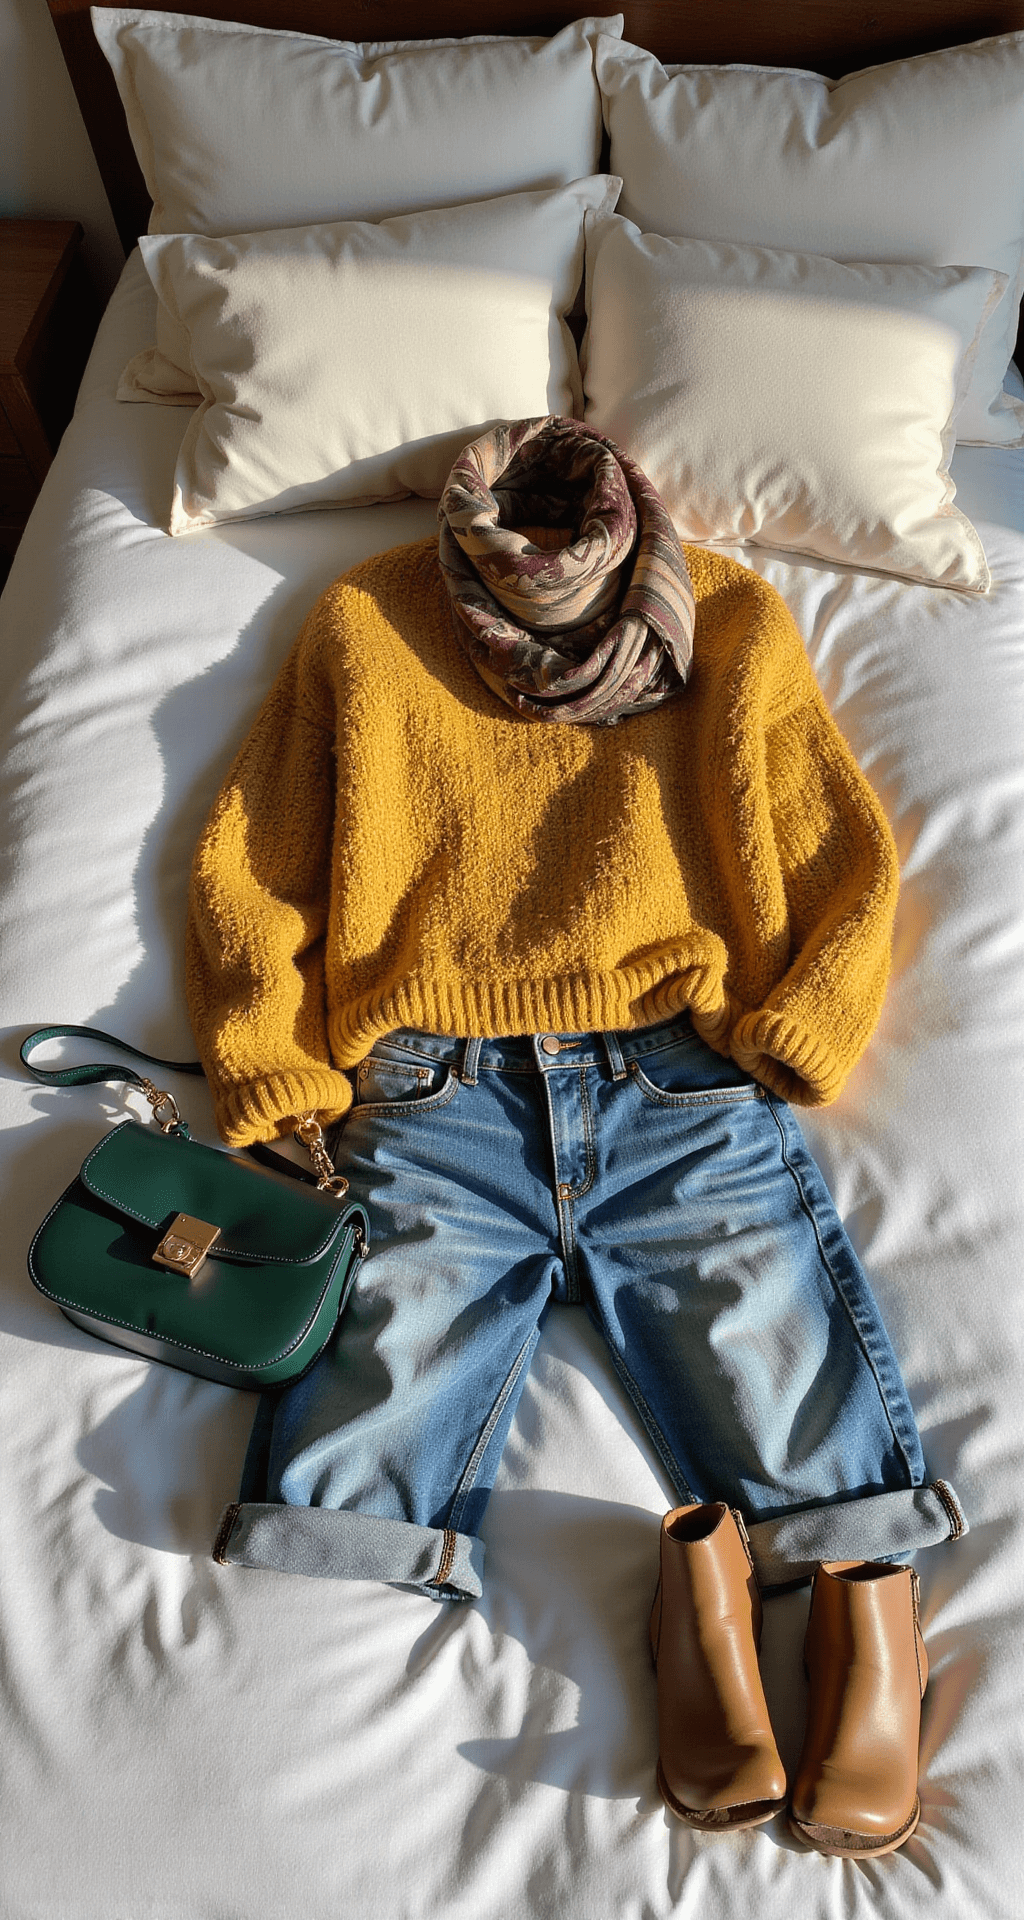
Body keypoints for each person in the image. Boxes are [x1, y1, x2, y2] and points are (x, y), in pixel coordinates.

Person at [187, 417, 965, 1855]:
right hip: (432, 1089)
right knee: (356, 1471)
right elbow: (252, 856)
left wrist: (803, 1025)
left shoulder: (726, 614)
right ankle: (667, 1642)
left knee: (785, 1387)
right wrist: (273, 1067)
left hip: (673, 1076)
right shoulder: (363, 619)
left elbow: (836, 846)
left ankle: (859, 1618)